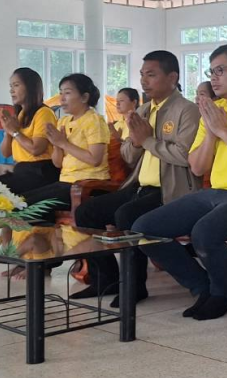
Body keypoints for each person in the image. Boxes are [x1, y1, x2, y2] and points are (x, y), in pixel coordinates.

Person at [132, 45, 227, 321]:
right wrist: (212, 134)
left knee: (204, 231)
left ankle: (222, 294)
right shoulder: (213, 110)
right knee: (144, 229)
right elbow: (197, 165)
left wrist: (224, 131)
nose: (214, 77)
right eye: (211, 72)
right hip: (217, 193)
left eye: (220, 70)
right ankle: (201, 286)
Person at [73, 51, 201, 305]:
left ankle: (134, 286)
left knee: (127, 216)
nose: (144, 81)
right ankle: (105, 280)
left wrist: (148, 140)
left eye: (151, 75)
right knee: (87, 213)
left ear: (172, 77)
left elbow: (185, 156)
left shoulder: (187, 110)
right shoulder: (143, 109)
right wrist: (134, 140)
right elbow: (129, 156)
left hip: (171, 190)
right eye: (142, 75)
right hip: (140, 186)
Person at [21, 73, 110, 231]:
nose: (61, 98)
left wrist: (63, 143)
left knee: (27, 207)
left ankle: (53, 240)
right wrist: (57, 145)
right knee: (20, 202)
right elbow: (57, 163)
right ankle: (50, 241)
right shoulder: (64, 121)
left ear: (84, 97)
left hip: (87, 184)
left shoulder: (94, 120)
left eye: (67, 93)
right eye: (61, 93)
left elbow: (95, 159)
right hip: (66, 183)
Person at [0, 67, 59, 194]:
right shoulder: (21, 114)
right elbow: (5, 153)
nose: (11, 90)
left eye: (16, 85)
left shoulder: (44, 113)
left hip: (41, 172)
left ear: (30, 87)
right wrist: (8, 130)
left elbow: (36, 149)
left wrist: (15, 132)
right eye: (11, 86)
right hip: (23, 171)